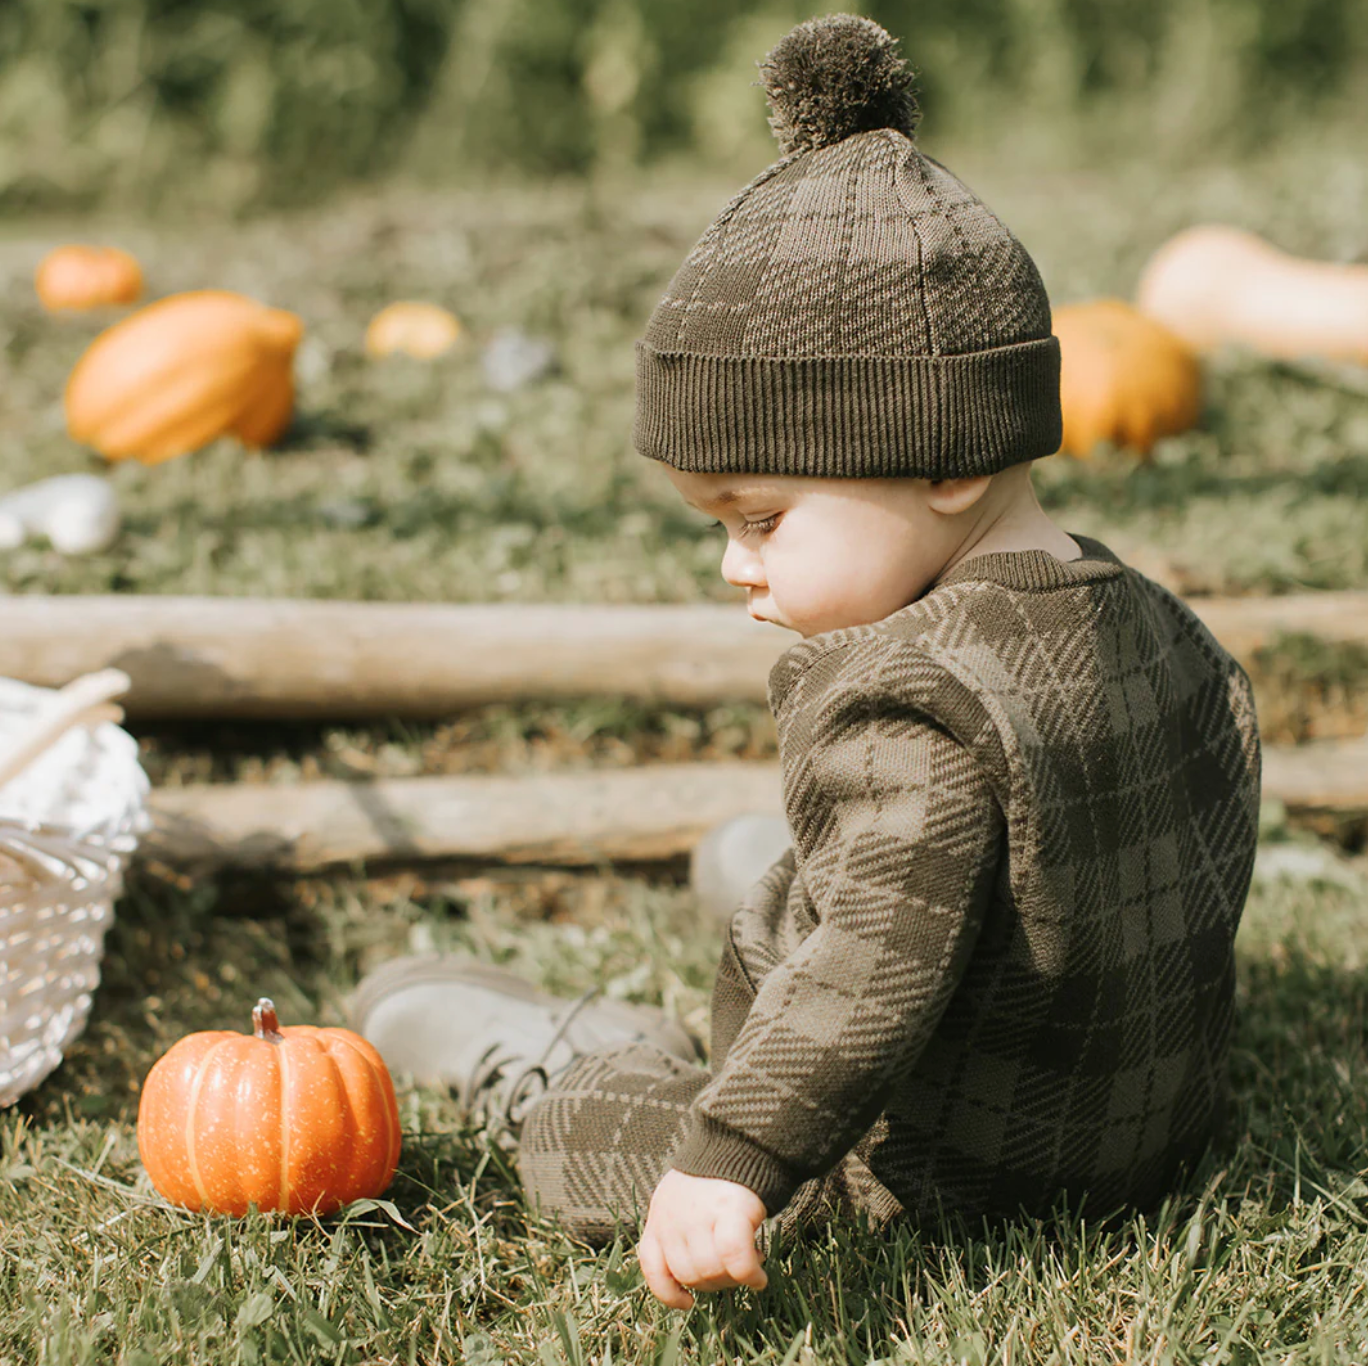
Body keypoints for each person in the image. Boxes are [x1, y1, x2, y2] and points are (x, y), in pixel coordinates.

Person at [348, 13, 1263, 1311]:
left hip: (933, 1157)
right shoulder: (1159, 620)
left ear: (946, 458)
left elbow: (872, 968)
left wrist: (736, 1158)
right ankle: (806, 879)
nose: (738, 564)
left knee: (600, 1143)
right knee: (892, 859)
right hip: (1143, 1122)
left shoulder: (911, 704)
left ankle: (577, 1058)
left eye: (762, 517)